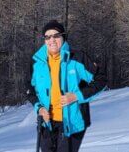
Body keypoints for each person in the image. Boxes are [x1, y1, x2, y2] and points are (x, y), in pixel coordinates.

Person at [29, 20, 106, 152]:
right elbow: (29, 89)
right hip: (46, 124)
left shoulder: (77, 58)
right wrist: (39, 108)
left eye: (56, 35)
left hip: (72, 123)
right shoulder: (37, 61)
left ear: (63, 37)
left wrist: (76, 96)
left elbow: (101, 80)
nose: (52, 40)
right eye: (47, 37)